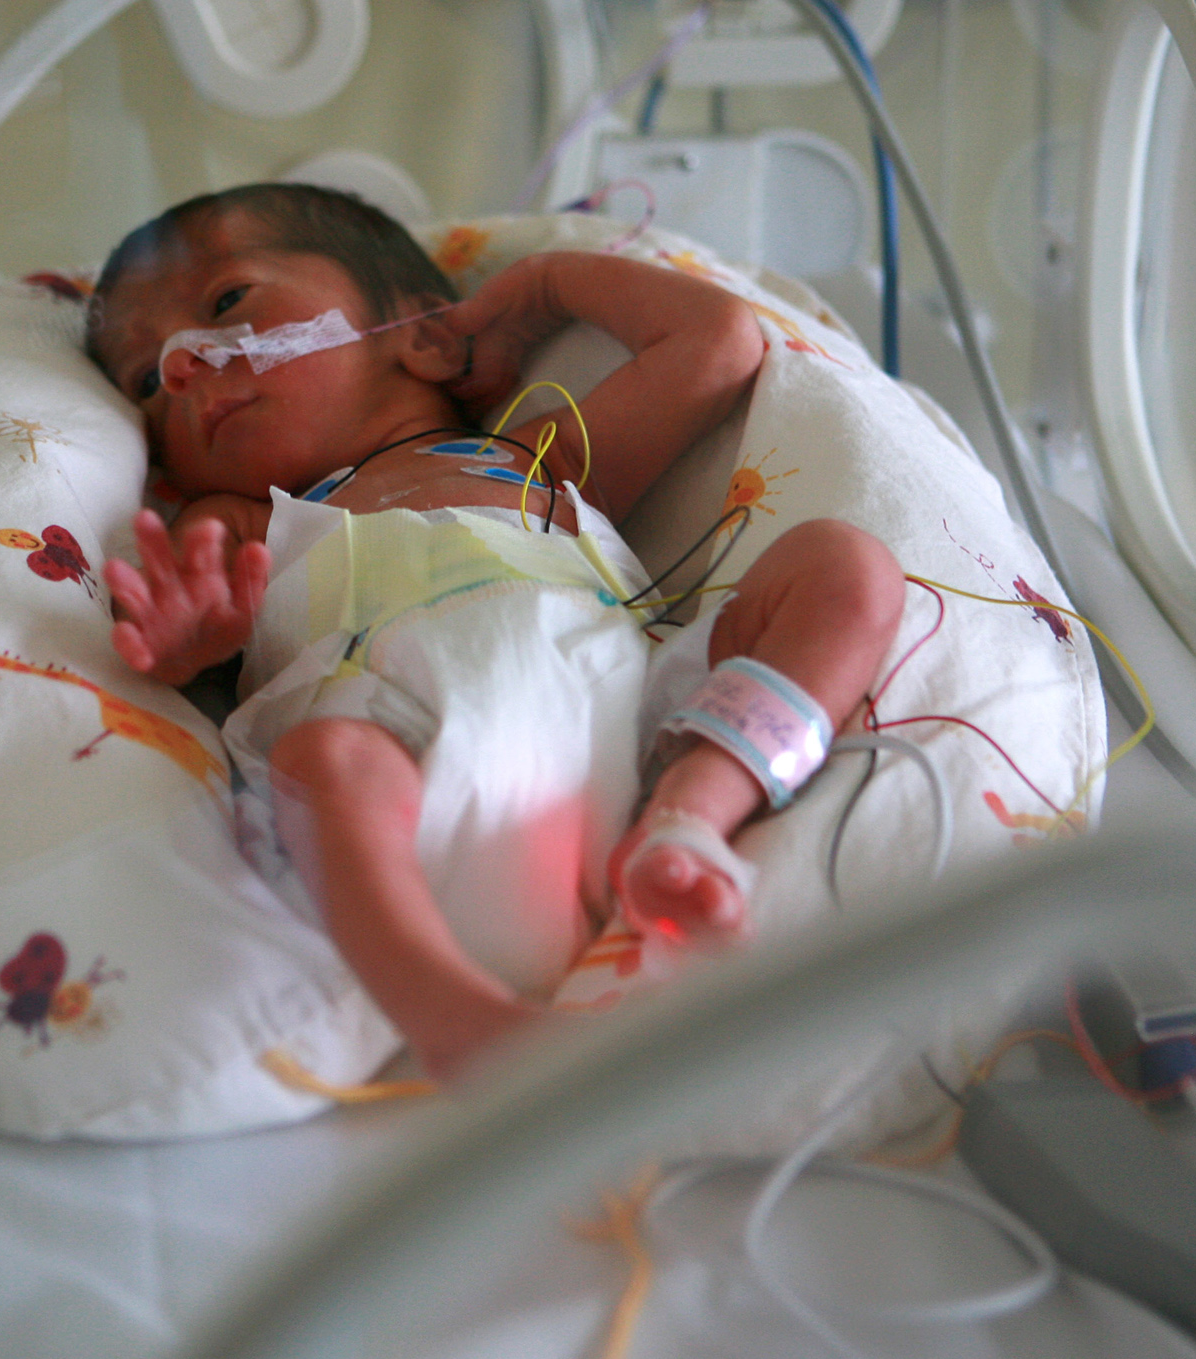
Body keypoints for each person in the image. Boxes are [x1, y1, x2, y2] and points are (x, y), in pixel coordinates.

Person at [87, 184, 907, 1079]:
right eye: (145, 381)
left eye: (227, 300)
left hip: (638, 730)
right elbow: (171, 612)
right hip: (405, 764)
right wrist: (190, 643)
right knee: (323, 758)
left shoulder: (539, 460)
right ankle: (455, 1016)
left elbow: (719, 343)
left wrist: (546, 285)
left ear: (424, 338)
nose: (183, 364)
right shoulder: (244, 523)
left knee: (847, 568)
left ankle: (694, 815)